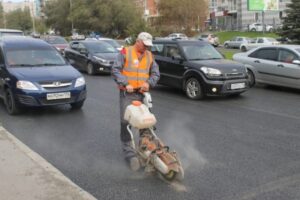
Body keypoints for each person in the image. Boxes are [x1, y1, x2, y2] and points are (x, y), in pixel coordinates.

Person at [111, 32, 160, 171]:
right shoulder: (126, 52)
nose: (146, 48)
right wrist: (125, 83)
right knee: (126, 123)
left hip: (143, 93)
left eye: (148, 46)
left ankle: (145, 149)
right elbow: (115, 70)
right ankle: (130, 155)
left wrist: (149, 83)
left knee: (146, 122)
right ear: (138, 41)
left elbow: (156, 73)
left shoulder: (149, 56)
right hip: (128, 93)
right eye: (144, 45)